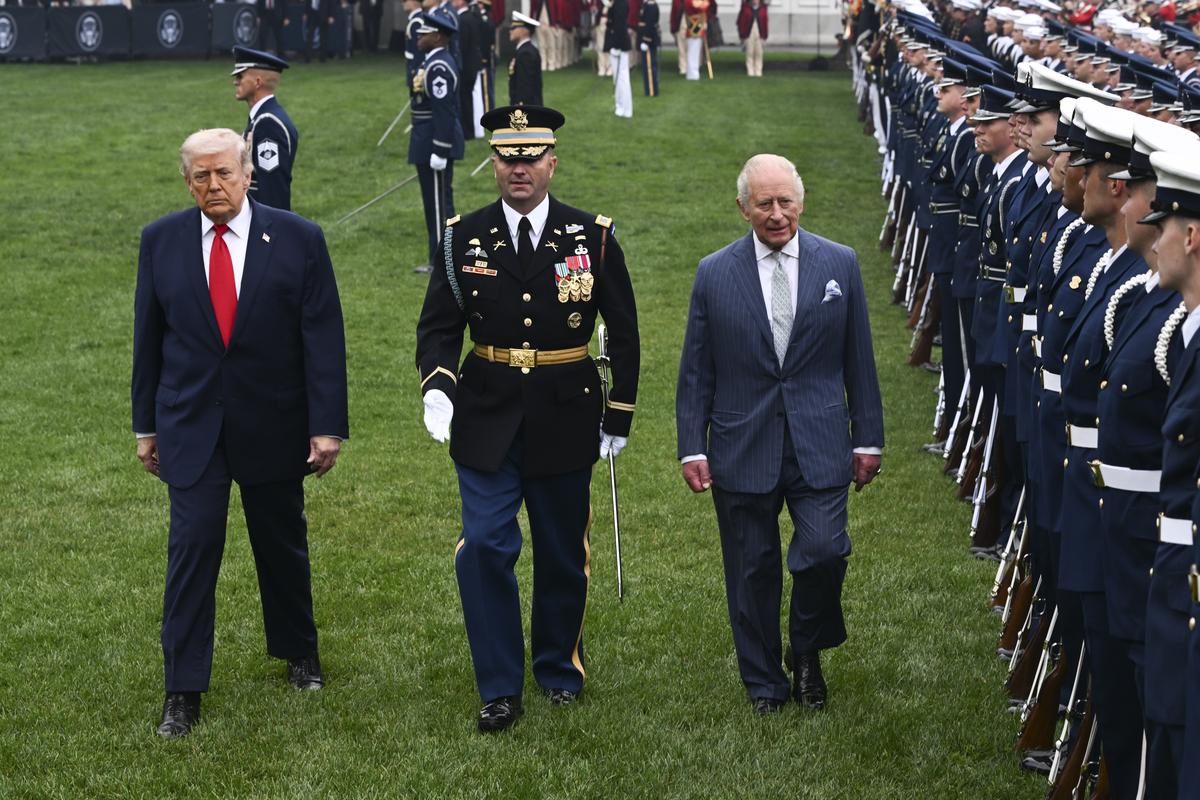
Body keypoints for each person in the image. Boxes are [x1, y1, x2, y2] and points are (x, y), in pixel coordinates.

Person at [415, 104, 640, 733]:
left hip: (566, 412)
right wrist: (438, 386)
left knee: (563, 551)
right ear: (493, 165)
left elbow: (623, 331)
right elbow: (438, 327)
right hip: (487, 414)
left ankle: (558, 668)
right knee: (485, 545)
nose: (520, 170)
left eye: (531, 158)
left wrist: (618, 413)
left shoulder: (591, 236)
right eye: (508, 159)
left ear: (551, 163)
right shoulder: (463, 237)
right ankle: (498, 686)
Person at [132, 128, 348, 738]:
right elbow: (148, 340)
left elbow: (322, 339)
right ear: (187, 182)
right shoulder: (162, 241)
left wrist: (326, 425)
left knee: (281, 543)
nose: (213, 186)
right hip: (190, 425)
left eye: (224, 173)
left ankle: (299, 651)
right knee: (191, 552)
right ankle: (183, 688)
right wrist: (145, 425)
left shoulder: (300, 239)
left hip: (274, 421)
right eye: (200, 176)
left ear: (248, 174)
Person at [675, 154, 884, 715]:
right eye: (763, 204)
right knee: (751, 570)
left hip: (820, 442)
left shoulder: (839, 263)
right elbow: (697, 370)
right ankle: (764, 682)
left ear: (802, 200)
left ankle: (807, 648)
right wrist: (692, 445)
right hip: (741, 444)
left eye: (785, 201)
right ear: (742, 207)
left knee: (823, 551)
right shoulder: (714, 273)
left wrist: (868, 439)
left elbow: (858, 359)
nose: (776, 214)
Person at [409, 10, 465, 273]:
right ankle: (439, 258)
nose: (419, 36)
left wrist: (441, 149)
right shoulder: (432, 61)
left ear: (439, 36)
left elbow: (444, 110)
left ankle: (442, 261)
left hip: (434, 142)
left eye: (425, 33)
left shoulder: (440, 66)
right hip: (426, 140)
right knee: (434, 203)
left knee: (439, 205)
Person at [233, 47, 299, 213]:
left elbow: (272, 188)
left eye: (240, 76)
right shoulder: (261, 118)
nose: (235, 81)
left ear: (257, 82)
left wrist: (268, 233)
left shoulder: (268, 123)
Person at [508, 11, 544, 106]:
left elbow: (526, 87)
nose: (510, 30)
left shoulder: (526, 53)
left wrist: (520, 105)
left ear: (525, 31)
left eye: (514, 27)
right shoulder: (524, 50)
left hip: (526, 110)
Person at [604, 0, 632, 117]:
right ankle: (620, 106)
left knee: (622, 78)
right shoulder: (616, 3)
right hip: (616, 43)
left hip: (619, 45)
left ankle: (625, 108)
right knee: (618, 78)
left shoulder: (620, 3)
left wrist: (617, 46)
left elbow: (620, 25)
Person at [736, 0, 766, 78]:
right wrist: (742, 36)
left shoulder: (763, 9)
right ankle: (750, 71)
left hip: (759, 33)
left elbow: (765, 22)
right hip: (748, 34)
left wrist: (764, 36)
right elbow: (741, 22)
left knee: (759, 53)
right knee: (749, 52)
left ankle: (758, 71)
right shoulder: (745, 8)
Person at [638, 0, 660, 97]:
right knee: (648, 66)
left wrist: (646, 40)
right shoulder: (646, 4)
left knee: (650, 67)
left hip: (648, 40)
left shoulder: (651, 6)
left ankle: (651, 90)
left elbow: (650, 24)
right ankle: (649, 89)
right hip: (646, 37)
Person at [682, 0, 708, 80]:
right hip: (695, 25)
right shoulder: (690, 1)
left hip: (696, 24)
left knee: (694, 52)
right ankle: (693, 74)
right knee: (693, 51)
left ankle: (693, 73)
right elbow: (703, 7)